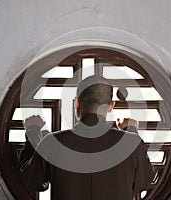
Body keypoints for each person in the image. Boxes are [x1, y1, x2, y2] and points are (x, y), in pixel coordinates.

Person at [19, 75, 155, 200]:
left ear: (77, 102)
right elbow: (145, 181)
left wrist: (33, 130)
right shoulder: (131, 143)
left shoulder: (53, 143)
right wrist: (130, 130)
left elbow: (30, 181)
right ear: (110, 106)